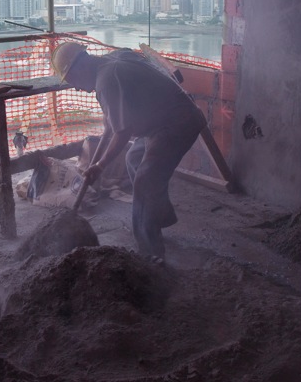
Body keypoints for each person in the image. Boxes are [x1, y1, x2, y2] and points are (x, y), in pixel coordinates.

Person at [51, 42, 206, 263]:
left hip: (178, 123)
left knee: (146, 179)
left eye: (71, 80)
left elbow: (122, 134)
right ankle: (158, 216)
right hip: (160, 123)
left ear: (79, 67)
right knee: (134, 159)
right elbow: (110, 128)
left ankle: (150, 255)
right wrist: (93, 165)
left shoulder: (107, 81)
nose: (76, 87)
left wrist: (101, 166)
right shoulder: (109, 62)